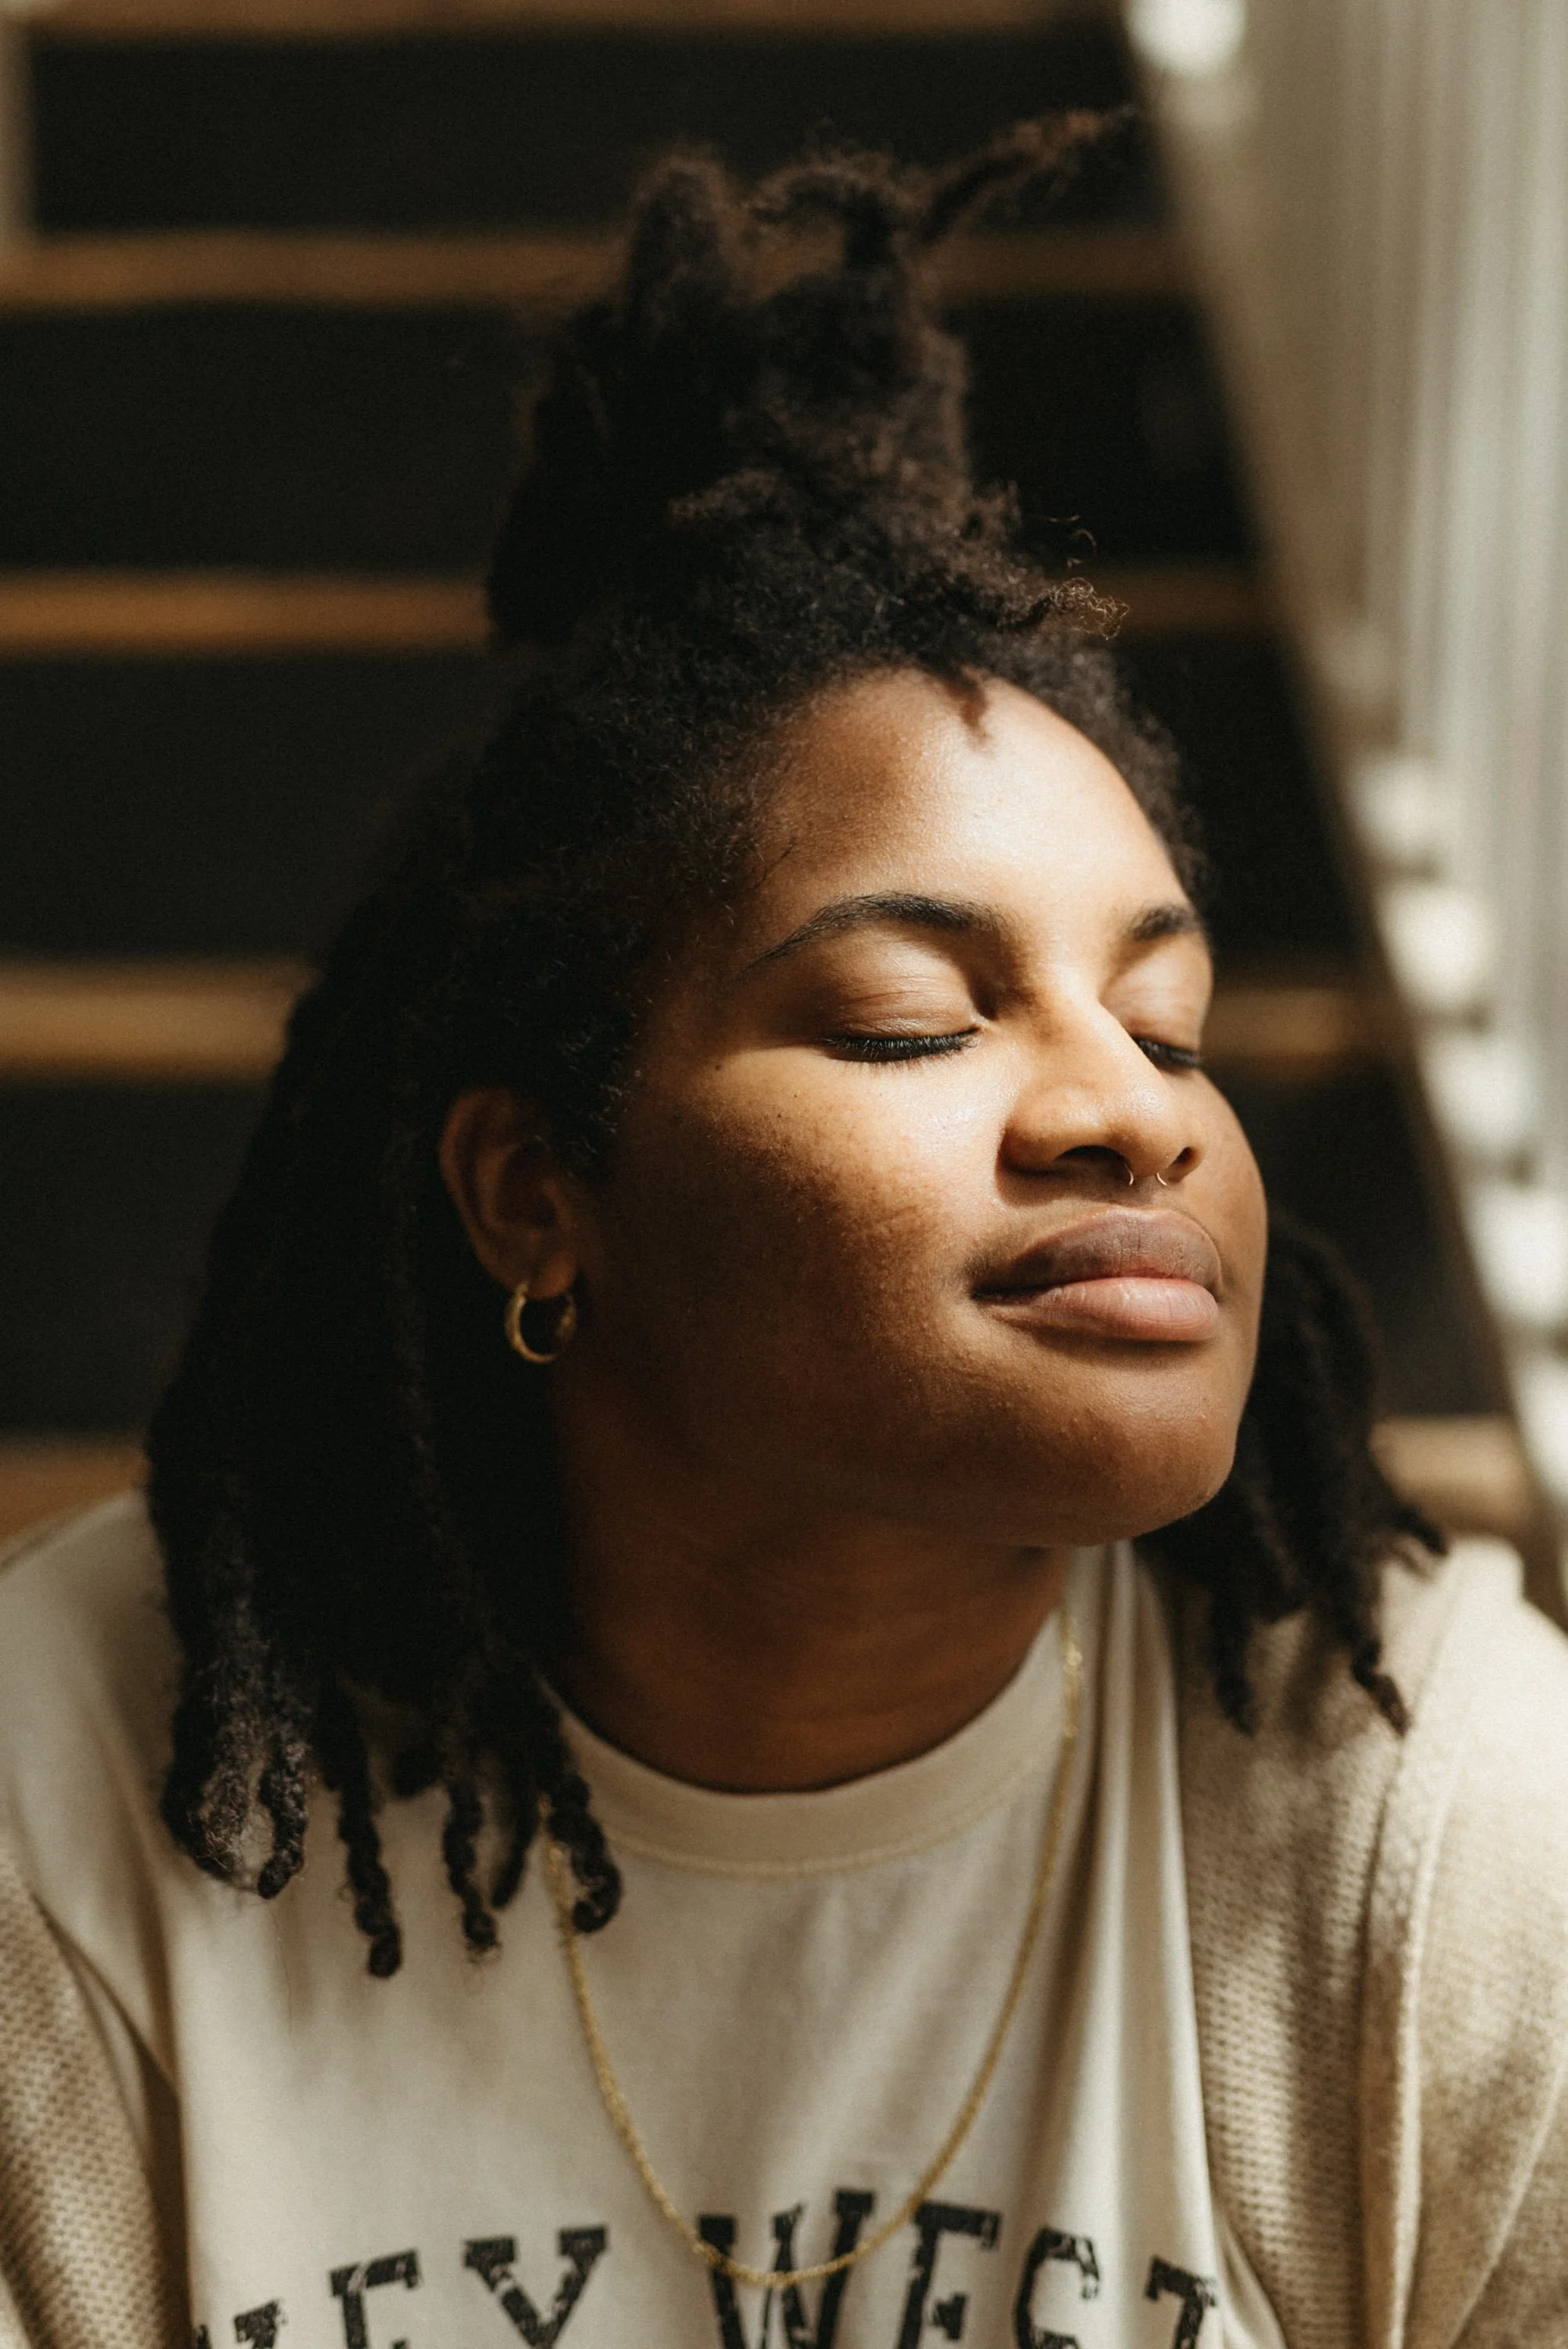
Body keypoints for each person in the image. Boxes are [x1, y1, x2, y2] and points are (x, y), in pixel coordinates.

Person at [2, 129, 1566, 2349]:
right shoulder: (61, 1827)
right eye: (914, 1015)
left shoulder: (1442, 1840)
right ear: (538, 1190)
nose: (1129, 1108)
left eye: (1170, 1017)